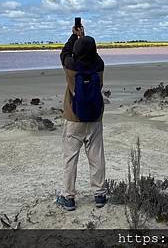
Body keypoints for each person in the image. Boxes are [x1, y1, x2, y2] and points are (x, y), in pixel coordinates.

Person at [55, 22, 107, 211]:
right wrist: (84, 37)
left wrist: (75, 37)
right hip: (95, 117)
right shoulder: (99, 65)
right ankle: (100, 195)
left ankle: (68, 198)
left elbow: (64, 53)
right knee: (97, 157)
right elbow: (94, 54)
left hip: (74, 118)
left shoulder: (71, 66)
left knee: (70, 159)